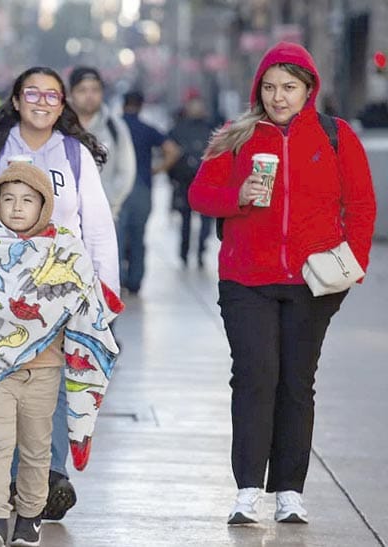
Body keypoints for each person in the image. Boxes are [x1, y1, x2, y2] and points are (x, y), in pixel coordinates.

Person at [188, 42, 376, 525]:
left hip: (313, 282)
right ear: (259, 89)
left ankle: (290, 491)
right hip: (246, 279)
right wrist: (239, 195)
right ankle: (248, 488)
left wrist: (354, 261)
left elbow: (361, 205)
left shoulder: (336, 136)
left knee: (296, 383)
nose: (279, 97)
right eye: (270, 87)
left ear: (308, 89)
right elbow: (200, 194)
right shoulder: (237, 135)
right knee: (254, 376)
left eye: (289, 88)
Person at [0, 66, 120, 525]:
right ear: (18, 100)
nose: (42, 102)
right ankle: (18, 480)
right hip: (0, 291)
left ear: (62, 106)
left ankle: (49, 478)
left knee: (56, 382)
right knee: (7, 381)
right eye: (32, 94)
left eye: (52, 96)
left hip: (61, 290)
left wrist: (106, 290)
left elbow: (97, 227)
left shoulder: (75, 154)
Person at [118, 90, 181, 295]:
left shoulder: (115, 128)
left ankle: (117, 279)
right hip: (142, 187)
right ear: (141, 105)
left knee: (116, 235)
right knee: (138, 235)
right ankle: (135, 281)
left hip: (117, 188)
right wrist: (157, 169)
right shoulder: (147, 129)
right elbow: (173, 150)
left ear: (123, 104)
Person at [68, 66, 136, 217]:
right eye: (82, 90)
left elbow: (127, 169)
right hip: (64, 222)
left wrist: (110, 200)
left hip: (105, 216)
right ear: (71, 93)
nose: (89, 96)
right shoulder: (59, 126)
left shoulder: (115, 126)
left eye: (95, 90)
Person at [167, 93, 215, 268]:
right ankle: (184, 252)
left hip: (206, 183)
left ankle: (201, 250)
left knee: (205, 221)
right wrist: (172, 177)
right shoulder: (178, 128)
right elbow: (169, 152)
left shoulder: (211, 128)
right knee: (185, 220)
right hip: (184, 181)